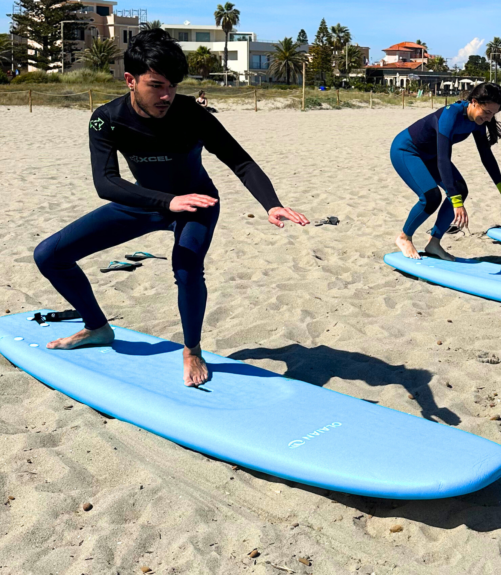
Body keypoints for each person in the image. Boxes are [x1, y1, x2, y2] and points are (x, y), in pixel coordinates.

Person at [33, 29, 308, 387]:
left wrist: (271, 205)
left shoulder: (192, 114)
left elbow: (240, 161)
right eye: (156, 85)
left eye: (174, 86)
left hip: (197, 204)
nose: (167, 95)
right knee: (49, 256)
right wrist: (166, 202)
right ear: (130, 80)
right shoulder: (107, 118)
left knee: (187, 266)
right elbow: (106, 183)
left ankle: (192, 350)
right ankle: (97, 327)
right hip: (143, 204)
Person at [391, 82, 501, 261]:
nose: (489, 119)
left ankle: (434, 243)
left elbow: (487, 157)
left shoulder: (478, 122)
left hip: (431, 155)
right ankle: (404, 237)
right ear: (474, 102)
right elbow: (443, 158)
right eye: (487, 112)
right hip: (407, 150)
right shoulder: (451, 115)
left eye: (493, 114)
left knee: (460, 189)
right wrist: (456, 202)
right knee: (431, 197)